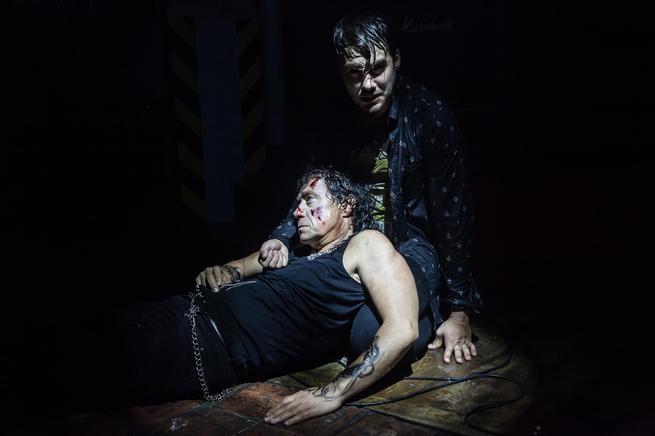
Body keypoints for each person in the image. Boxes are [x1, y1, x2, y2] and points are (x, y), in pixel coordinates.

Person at [89, 168, 424, 425]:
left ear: (347, 205)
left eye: (310, 201)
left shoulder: (365, 244)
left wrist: (332, 393)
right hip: (180, 310)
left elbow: (402, 329)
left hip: (203, 345)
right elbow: (236, 266)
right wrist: (220, 271)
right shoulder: (293, 250)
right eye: (297, 205)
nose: (297, 212)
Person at [253, 12, 481, 365]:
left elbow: (452, 215)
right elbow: (314, 184)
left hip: (411, 247)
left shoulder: (429, 116)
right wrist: (283, 236)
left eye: (377, 69)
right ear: (342, 74)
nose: (368, 84)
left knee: (366, 334)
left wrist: (459, 310)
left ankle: (415, 313)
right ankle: (407, 318)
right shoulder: (334, 119)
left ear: (396, 60)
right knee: (279, 302)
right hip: (346, 247)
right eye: (355, 74)